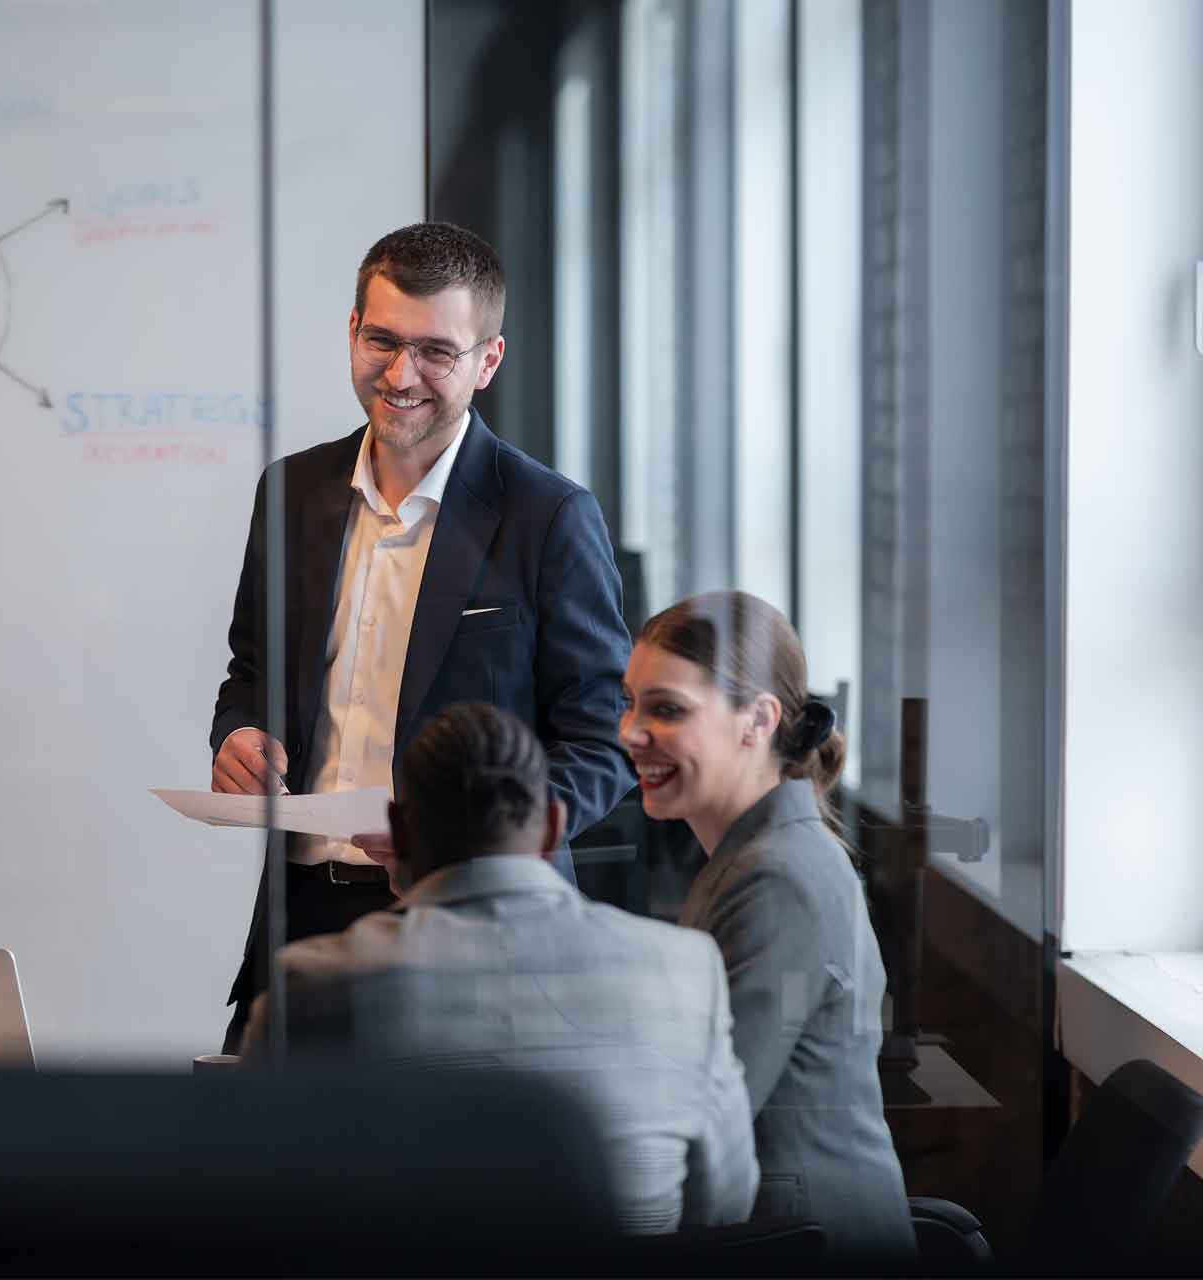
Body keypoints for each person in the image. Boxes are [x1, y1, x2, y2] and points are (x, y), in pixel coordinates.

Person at [210, 222, 631, 1052]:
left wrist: (478, 840)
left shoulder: (549, 516)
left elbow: (603, 742)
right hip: (301, 917)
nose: (401, 375)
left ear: (488, 361)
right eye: (383, 341)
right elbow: (252, 668)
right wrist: (239, 733)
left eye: (437, 351)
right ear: (353, 332)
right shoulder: (291, 491)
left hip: (476, 930)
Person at [236, 703, 757, 1236]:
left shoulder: (313, 986)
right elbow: (726, 1207)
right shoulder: (687, 970)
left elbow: (253, 1202)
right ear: (554, 826)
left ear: (398, 832)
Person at [621, 591, 914, 1259]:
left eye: (666, 709)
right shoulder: (754, 856)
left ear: (757, 720)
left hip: (800, 1241)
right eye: (630, 703)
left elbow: (706, 1115)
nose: (630, 732)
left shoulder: (775, 877)